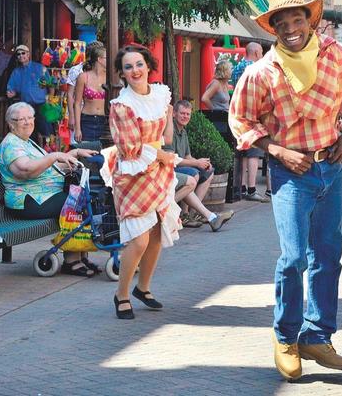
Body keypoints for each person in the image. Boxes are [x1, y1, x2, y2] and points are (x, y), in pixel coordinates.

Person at [229, 0, 342, 380]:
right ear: (273, 28)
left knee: (328, 255)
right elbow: (241, 120)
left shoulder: (336, 55)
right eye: (281, 22)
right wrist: (277, 150)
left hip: (330, 167)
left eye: (297, 19)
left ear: (311, 20)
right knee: (293, 258)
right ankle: (286, 338)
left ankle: (317, 336)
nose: (290, 28)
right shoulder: (261, 72)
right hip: (292, 173)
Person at [100, 45, 181, 319]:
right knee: (138, 240)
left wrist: (168, 117)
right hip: (132, 174)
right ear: (122, 74)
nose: (134, 70)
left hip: (157, 169)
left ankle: (143, 288)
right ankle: (121, 294)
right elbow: (131, 148)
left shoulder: (160, 94)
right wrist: (164, 156)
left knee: (157, 233)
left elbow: (167, 138)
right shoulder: (122, 105)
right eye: (128, 67)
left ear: (148, 65)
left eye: (138, 64)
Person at [0, 102, 98, 275]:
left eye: (30, 117)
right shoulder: (11, 145)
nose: (27, 122)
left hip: (43, 195)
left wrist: (74, 154)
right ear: (11, 123)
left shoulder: (26, 142)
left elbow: (50, 167)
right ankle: (71, 261)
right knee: (74, 201)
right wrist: (54, 155)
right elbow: (25, 170)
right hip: (27, 200)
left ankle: (80, 255)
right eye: (21, 119)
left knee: (82, 196)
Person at [165, 99, 234, 230]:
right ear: (173, 113)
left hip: (180, 167)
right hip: (170, 169)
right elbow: (172, 159)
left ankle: (193, 214)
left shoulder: (183, 131)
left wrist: (201, 162)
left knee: (208, 171)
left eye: (188, 114)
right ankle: (184, 215)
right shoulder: (170, 129)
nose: (185, 116)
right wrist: (196, 163)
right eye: (182, 113)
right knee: (193, 174)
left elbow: (187, 156)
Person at [230, 43, 270, 202]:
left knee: (243, 153)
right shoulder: (255, 69)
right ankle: (252, 189)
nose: (261, 54)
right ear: (254, 52)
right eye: (260, 52)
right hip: (253, 114)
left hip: (238, 115)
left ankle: (243, 186)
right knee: (254, 153)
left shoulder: (237, 67)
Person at [6, 45, 51, 140]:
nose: (21, 56)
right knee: (29, 134)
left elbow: (51, 84)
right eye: (18, 54)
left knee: (47, 134)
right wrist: (11, 93)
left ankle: (50, 153)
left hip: (42, 104)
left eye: (23, 53)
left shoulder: (39, 68)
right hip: (26, 107)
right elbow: (10, 91)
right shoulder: (16, 72)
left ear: (28, 54)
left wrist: (50, 99)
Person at [73, 42, 107, 143]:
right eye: (106, 57)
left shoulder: (110, 77)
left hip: (104, 121)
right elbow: (77, 103)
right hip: (87, 120)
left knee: (105, 154)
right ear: (99, 59)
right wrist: (77, 129)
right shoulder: (83, 77)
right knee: (86, 154)